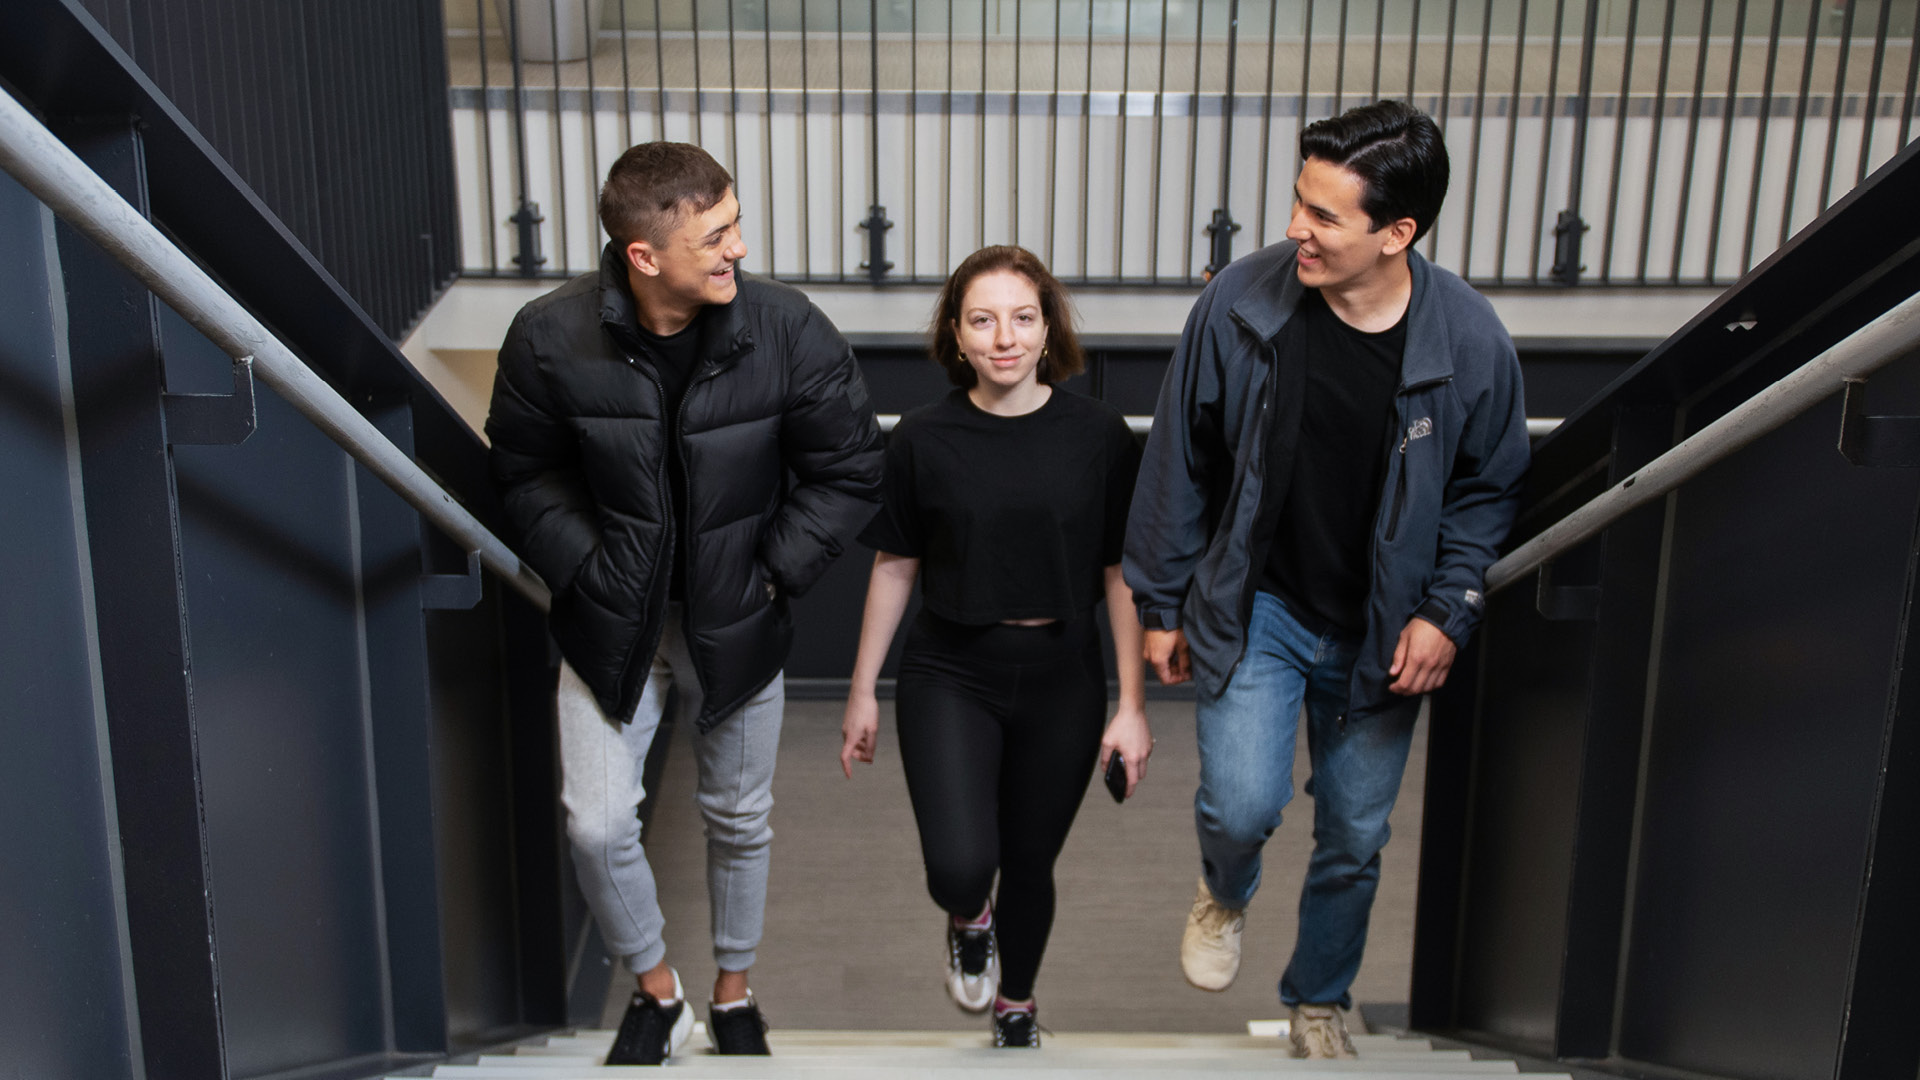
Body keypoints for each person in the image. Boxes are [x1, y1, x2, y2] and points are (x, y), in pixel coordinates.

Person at [1123, 100, 1529, 1058]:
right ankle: (1225, 890)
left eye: (1325, 216)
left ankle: (1318, 995)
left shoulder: (1469, 341)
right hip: (1258, 602)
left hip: (1386, 630)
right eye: (1298, 201)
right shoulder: (1241, 303)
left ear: (1399, 233)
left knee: (1353, 834)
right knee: (1242, 805)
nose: (1295, 229)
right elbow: (1179, 459)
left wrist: (1449, 612)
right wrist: (1161, 603)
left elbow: (1490, 488)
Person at [486, 142, 883, 1065]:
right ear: (644, 256)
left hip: (737, 619)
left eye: (736, 222)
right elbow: (524, 471)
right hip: (611, 619)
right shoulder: (548, 336)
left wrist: (770, 571)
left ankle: (735, 991)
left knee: (739, 817)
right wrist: (587, 570)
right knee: (595, 820)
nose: (738, 248)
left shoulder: (787, 328)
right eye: (716, 235)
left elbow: (852, 467)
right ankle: (656, 988)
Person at [838, 246, 1153, 1048]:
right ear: (956, 332)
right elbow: (895, 563)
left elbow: (1120, 575)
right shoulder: (922, 436)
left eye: (1022, 317)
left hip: (1064, 677)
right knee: (959, 863)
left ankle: (1017, 1002)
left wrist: (1131, 705)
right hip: (951, 672)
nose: (1003, 337)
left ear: (1048, 328)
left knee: (1031, 859)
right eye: (982, 319)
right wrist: (862, 688)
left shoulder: (1101, 435)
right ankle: (967, 915)